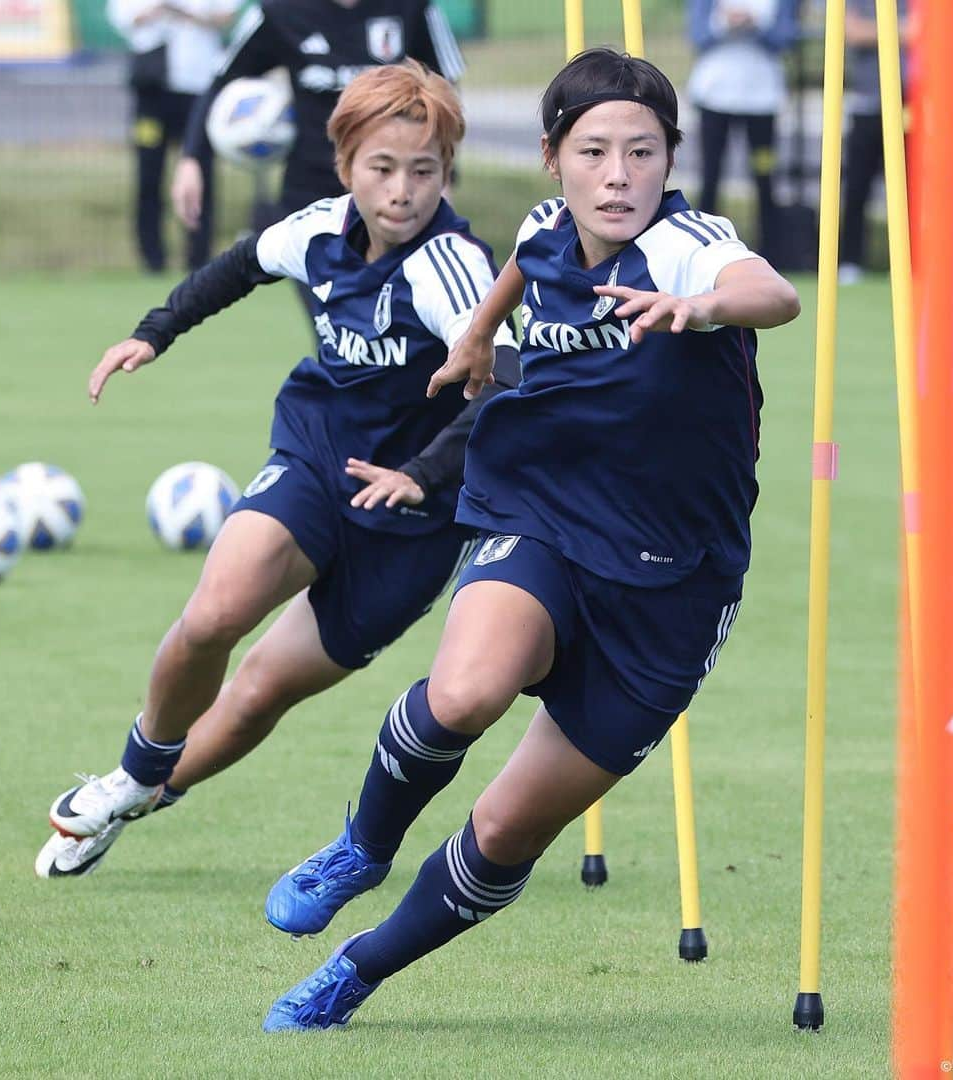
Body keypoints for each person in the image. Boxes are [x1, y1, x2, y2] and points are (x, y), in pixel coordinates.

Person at [259, 47, 800, 1033]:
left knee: (505, 829)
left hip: (673, 584)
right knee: (465, 689)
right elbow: (523, 260)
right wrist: (474, 336)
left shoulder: (686, 246)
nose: (619, 174)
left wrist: (706, 303)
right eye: (594, 151)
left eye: (643, 152)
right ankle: (361, 847)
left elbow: (772, 290)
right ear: (553, 156)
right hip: (542, 514)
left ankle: (360, 968)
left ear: (670, 159)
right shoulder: (552, 224)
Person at [35, 61, 519, 878]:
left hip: (414, 522)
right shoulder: (319, 229)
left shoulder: (453, 269)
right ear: (345, 166)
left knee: (262, 688)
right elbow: (239, 266)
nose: (401, 191)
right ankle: (136, 767)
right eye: (382, 168)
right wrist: (153, 332)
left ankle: (140, 799)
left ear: (448, 172)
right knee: (216, 611)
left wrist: (424, 473)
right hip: (317, 454)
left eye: (423, 171)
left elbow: (510, 385)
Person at [172, 0, 465, 317]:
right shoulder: (279, 11)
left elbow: (446, 91)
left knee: (402, 323)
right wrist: (191, 160)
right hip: (310, 195)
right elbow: (222, 82)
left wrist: (446, 174)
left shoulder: (412, 7)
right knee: (337, 326)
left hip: (394, 195)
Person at [107, 0, 240, 272]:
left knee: (201, 172)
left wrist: (183, 13)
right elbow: (127, 19)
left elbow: (226, 17)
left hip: (198, 87)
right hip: (153, 89)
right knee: (148, 173)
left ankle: (199, 257)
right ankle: (152, 258)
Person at [686, 0, 799, 265]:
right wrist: (726, 23)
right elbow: (698, 34)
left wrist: (755, 25)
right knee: (711, 175)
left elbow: (785, 37)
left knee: (764, 177)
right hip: (714, 96)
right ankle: (701, 252)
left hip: (762, 99)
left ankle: (771, 253)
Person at [838, 0, 910, 285]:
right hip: (868, 103)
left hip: (912, 102)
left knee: (910, 188)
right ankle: (851, 260)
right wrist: (901, 31)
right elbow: (853, 32)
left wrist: (877, 32)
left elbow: (929, 33)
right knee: (857, 187)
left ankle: (910, 261)